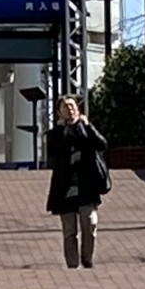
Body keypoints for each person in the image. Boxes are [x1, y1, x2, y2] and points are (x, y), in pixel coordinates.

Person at [43, 95, 109, 268]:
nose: (70, 110)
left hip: (87, 188)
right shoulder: (56, 133)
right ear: (59, 112)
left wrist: (87, 125)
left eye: (72, 106)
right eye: (65, 107)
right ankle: (72, 265)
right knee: (69, 232)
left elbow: (102, 144)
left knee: (90, 224)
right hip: (65, 190)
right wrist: (60, 129)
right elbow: (52, 152)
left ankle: (87, 257)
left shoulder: (86, 129)